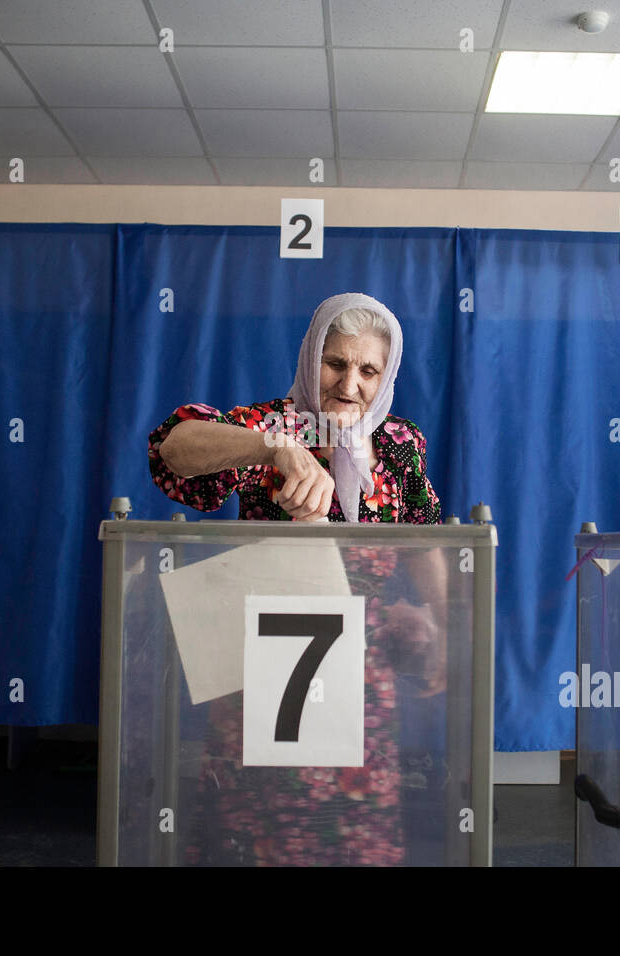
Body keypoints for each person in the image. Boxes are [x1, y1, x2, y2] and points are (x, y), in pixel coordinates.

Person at [149, 292, 447, 865]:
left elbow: (424, 541)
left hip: (362, 677)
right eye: (335, 363)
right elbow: (173, 449)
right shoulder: (274, 424)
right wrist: (275, 446)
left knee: (351, 836)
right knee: (258, 830)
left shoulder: (399, 444)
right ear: (312, 358)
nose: (350, 384)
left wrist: (440, 621)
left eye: (368, 370)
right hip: (266, 667)